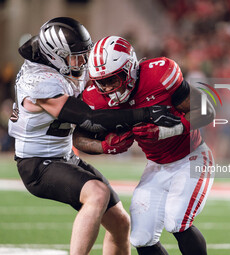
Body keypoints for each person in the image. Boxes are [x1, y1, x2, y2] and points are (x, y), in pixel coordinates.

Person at [8, 18, 181, 255]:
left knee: (121, 224)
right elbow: (90, 119)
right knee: (97, 193)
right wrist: (146, 113)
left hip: (64, 156)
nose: (82, 61)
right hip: (37, 163)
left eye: (83, 53)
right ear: (55, 55)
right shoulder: (38, 80)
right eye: (75, 56)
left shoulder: (59, 67)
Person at [73, 35, 215, 255]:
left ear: (130, 68)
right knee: (141, 237)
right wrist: (106, 147)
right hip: (156, 165)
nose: (108, 88)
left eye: (114, 79)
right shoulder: (95, 97)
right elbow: (79, 139)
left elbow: (206, 111)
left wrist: (165, 131)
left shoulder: (159, 75)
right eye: (102, 81)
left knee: (177, 221)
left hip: (190, 156)